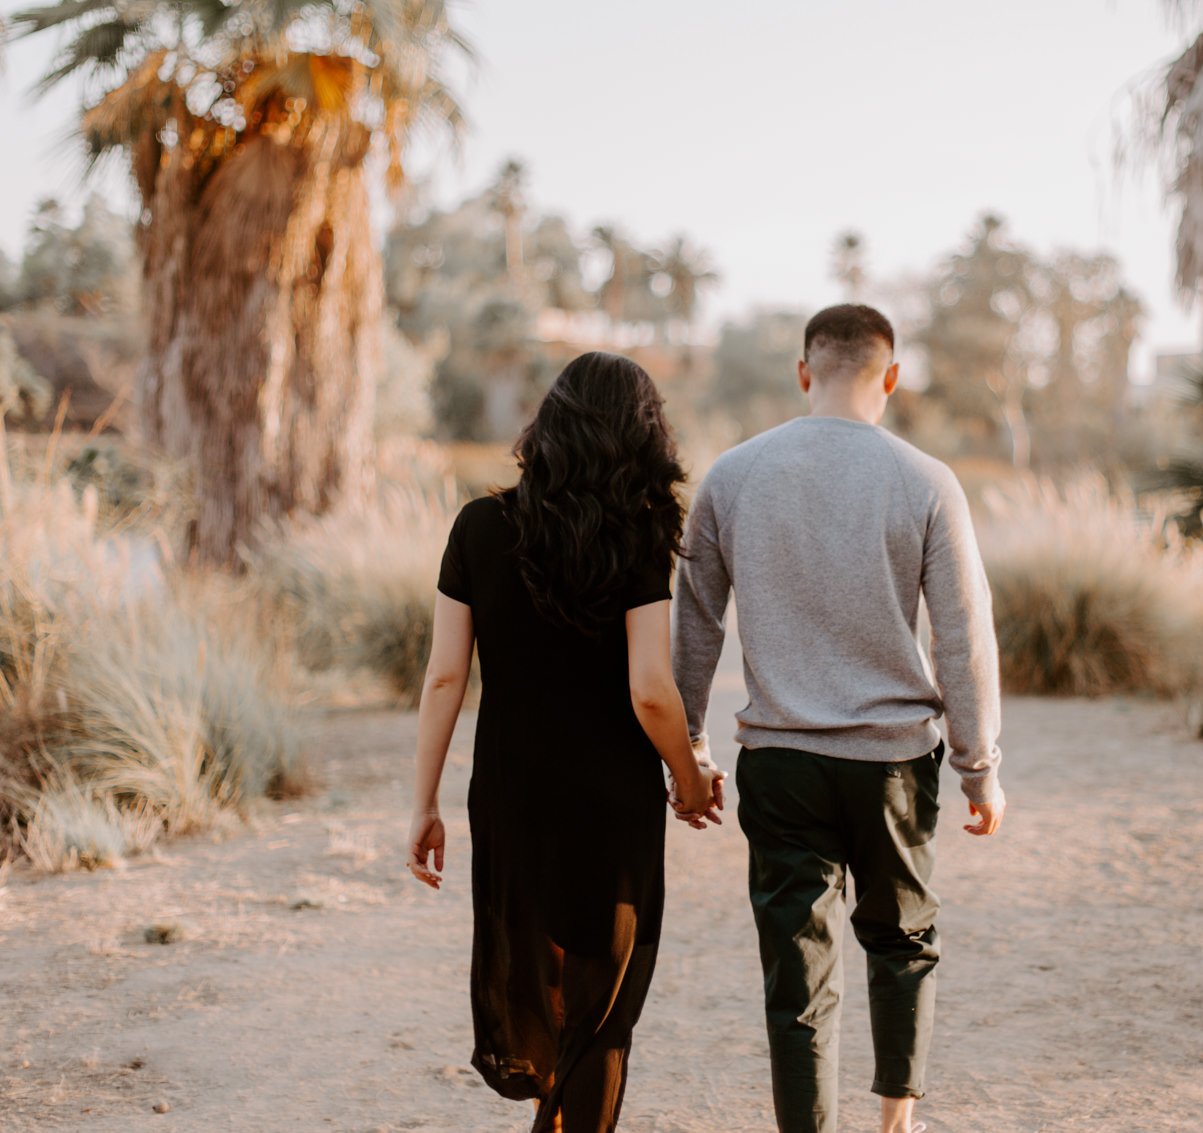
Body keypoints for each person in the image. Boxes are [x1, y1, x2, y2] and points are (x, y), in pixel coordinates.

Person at [672, 303, 1005, 1133]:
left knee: (797, 969)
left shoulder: (735, 473)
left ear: (803, 372)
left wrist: (690, 750)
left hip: (781, 760)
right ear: (889, 377)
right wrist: (979, 765)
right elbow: (965, 635)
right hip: (894, 761)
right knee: (902, 941)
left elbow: (694, 621)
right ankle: (895, 1122)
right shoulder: (926, 479)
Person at [408, 351, 725, 1133]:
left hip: (512, 792)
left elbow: (445, 678)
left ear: (547, 426)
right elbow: (651, 688)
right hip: (611, 800)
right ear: (642, 436)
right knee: (601, 1010)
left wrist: (424, 802)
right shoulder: (643, 535)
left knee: (537, 981)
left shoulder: (478, 527)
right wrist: (687, 777)